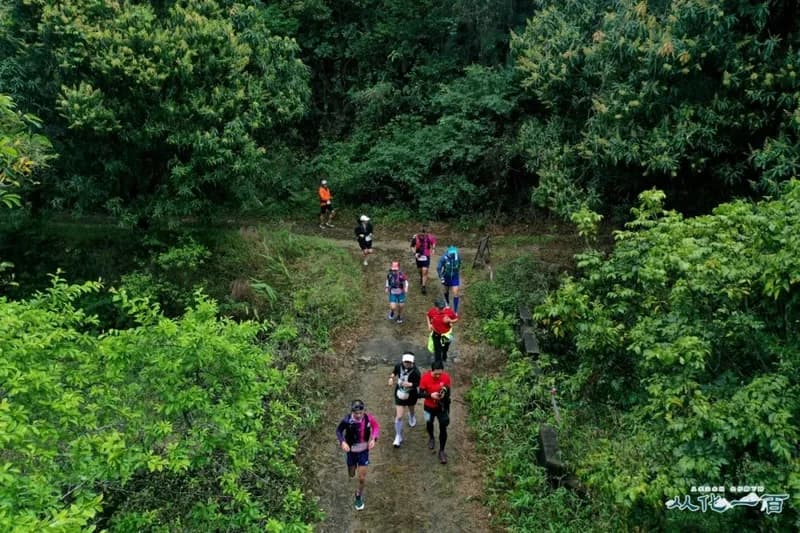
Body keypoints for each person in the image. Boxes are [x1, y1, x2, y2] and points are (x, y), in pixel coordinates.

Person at [336, 399, 380, 510]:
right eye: (356, 413)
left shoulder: (368, 418)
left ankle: (358, 495)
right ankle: (351, 466)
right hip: (351, 451)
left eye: (361, 412)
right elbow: (338, 431)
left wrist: (374, 439)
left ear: (364, 410)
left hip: (363, 451)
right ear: (352, 412)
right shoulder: (347, 420)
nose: (359, 415)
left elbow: (376, 427)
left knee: (361, 478)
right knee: (351, 474)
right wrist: (342, 442)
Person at [418, 360, 452, 464]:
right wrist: (430, 395)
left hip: (441, 407)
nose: (438, 376)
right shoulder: (425, 378)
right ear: (431, 371)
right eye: (435, 373)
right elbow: (420, 394)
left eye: (440, 373)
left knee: (443, 427)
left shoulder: (446, 377)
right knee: (429, 423)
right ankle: (431, 437)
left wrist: (443, 395)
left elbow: (448, 390)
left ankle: (442, 451)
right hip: (428, 407)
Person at [388, 352, 421, 448]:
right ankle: (398, 436)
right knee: (399, 416)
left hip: (411, 394)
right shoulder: (398, 366)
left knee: (411, 407)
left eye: (409, 362)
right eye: (406, 362)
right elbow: (394, 372)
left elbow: (418, 383)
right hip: (400, 393)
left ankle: (411, 416)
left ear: (413, 362)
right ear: (402, 361)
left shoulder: (416, 371)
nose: (407, 363)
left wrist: (410, 384)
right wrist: (391, 378)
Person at [426, 297, 458, 363]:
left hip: (446, 334)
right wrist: (429, 324)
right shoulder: (432, 312)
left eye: (443, 308)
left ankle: (444, 355)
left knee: (445, 348)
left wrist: (450, 320)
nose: (442, 309)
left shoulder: (449, 311)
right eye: (440, 308)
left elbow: (456, 319)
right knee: (437, 351)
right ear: (436, 307)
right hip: (436, 334)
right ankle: (438, 365)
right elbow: (427, 315)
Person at [409, 227, 437, 294]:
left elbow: (434, 242)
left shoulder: (429, 237)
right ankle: (421, 277)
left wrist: (433, 249)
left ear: (425, 233)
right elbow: (412, 246)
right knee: (420, 270)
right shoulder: (415, 237)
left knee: (425, 271)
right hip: (418, 256)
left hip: (426, 256)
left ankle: (423, 286)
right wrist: (415, 253)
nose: (422, 235)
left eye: (423, 234)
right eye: (420, 234)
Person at [436, 245, 462, 313]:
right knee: (445, 290)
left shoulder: (458, 257)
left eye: (454, 253)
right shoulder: (444, 258)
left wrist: (456, 272)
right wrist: (441, 277)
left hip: (454, 276)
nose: (453, 254)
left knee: (455, 293)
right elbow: (438, 268)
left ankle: (455, 311)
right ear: (448, 252)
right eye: (451, 253)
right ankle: (447, 303)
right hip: (446, 276)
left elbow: (459, 264)